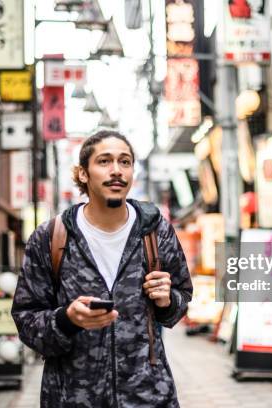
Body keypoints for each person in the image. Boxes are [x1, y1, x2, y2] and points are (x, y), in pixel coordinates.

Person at [11, 130, 193, 407]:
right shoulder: (52, 237)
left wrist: (168, 300)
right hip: (72, 397)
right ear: (83, 173)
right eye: (105, 161)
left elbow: (180, 304)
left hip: (147, 396)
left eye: (125, 162)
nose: (117, 171)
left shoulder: (155, 231)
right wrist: (66, 320)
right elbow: (26, 320)